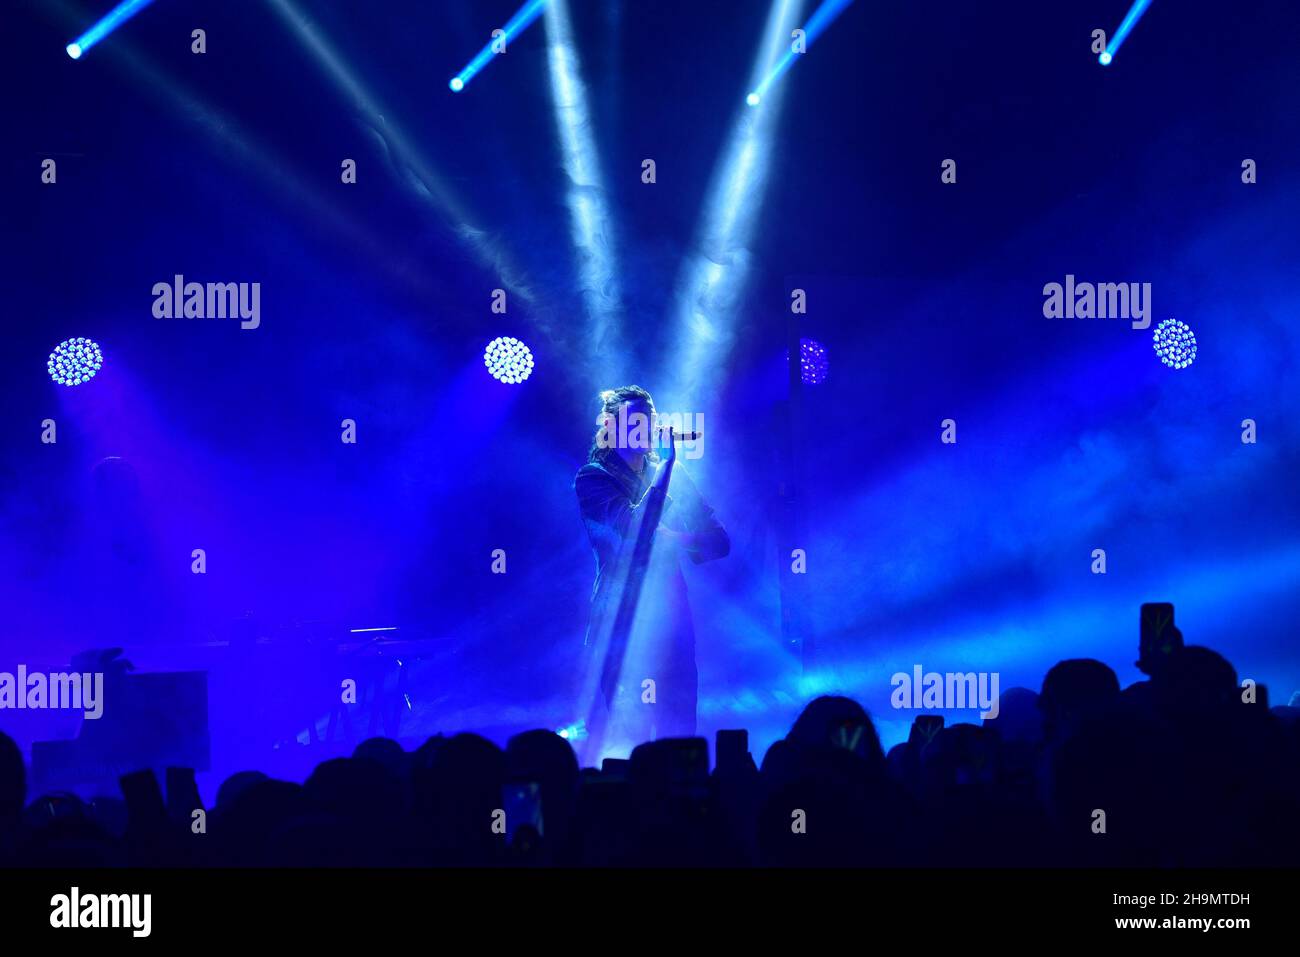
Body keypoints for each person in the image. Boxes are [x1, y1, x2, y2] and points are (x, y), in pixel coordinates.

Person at [574, 386, 728, 749]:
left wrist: (679, 540)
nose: (646, 425)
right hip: (621, 624)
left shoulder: (669, 472)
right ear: (612, 428)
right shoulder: (593, 479)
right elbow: (632, 529)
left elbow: (720, 542)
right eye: (635, 418)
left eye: (650, 417)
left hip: (672, 622)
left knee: (680, 736)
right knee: (634, 742)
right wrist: (668, 468)